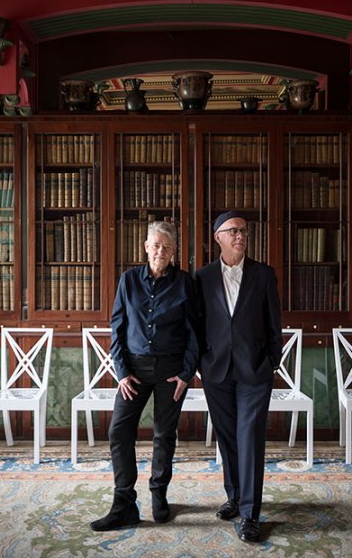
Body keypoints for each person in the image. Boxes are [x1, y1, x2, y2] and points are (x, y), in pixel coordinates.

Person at [90, 220, 201, 531]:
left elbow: (195, 332)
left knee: (164, 434)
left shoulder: (185, 283)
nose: (160, 251)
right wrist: (122, 372)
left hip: (170, 371)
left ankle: (158, 494)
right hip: (134, 372)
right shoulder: (128, 281)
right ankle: (123, 501)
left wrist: (186, 373)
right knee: (118, 432)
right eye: (155, 245)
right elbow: (117, 329)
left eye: (166, 247)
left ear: (174, 251)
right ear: (146, 247)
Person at [195, 211, 282, 543]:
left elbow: (275, 324)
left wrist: (271, 362)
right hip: (216, 369)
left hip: (255, 370)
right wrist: (202, 362)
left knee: (249, 439)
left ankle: (250, 514)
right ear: (218, 236)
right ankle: (233, 495)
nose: (240, 236)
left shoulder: (263, 275)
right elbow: (197, 323)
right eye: (233, 231)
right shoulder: (201, 277)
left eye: (244, 231)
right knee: (228, 437)